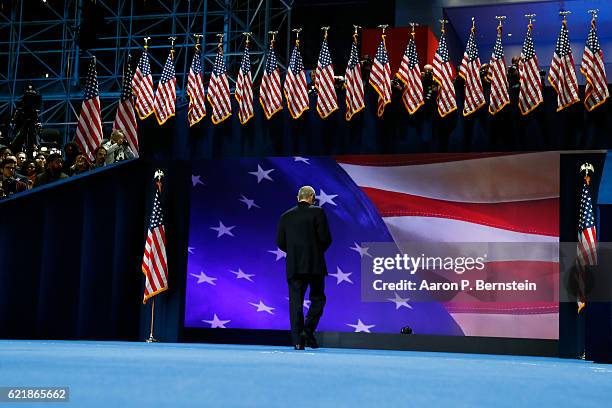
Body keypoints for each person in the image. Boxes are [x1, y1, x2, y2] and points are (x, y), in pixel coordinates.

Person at [276, 185, 332, 350]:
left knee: (295, 303)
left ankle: (298, 341)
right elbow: (326, 238)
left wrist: (294, 253)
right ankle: (308, 330)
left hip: (294, 266)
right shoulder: (318, 212)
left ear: (298, 198)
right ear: (312, 198)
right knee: (318, 299)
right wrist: (314, 251)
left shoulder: (285, 216)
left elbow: (280, 242)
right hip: (315, 264)